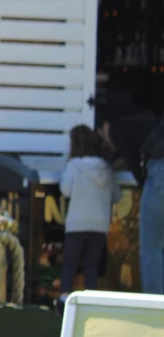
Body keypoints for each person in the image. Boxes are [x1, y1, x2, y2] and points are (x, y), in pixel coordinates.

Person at [97, 95, 164, 294]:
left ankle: (156, 308)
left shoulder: (117, 129)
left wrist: (145, 185)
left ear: (106, 126)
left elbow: (136, 164)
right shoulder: (149, 122)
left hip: (160, 172)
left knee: (151, 247)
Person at [59, 125, 120, 297]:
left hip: (77, 223)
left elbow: (65, 190)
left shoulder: (74, 165)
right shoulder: (106, 168)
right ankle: (91, 302)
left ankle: (64, 301)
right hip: (100, 225)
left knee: (70, 265)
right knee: (91, 267)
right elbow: (117, 196)